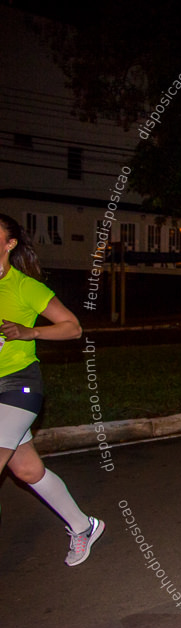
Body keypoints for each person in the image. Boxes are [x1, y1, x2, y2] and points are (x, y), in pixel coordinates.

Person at [0, 214, 103, 566]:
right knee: (26, 471)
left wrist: (30, 332)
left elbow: (72, 328)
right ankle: (83, 526)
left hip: (18, 385)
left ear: (9, 244)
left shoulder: (25, 287)